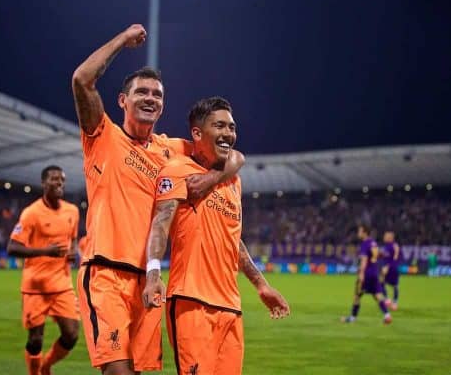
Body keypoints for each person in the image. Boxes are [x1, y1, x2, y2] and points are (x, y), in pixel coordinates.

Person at [71, 24, 244, 375]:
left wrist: (230, 167)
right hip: (106, 273)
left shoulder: (171, 149)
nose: (151, 98)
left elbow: (228, 151)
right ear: (122, 100)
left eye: (158, 94)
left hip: (149, 281)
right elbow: (81, 80)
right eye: (142, 92)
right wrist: (122, 40)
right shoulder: (102, 135)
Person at [142, 96, 290, 375]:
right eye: (219, 126)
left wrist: (261, 285)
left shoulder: (232, 180)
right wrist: (153, 274)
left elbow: (233, 239)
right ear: (197, 133)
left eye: (232, 127)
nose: (228, 134)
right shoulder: (177, 170)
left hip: (231, 307)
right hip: (192, 302)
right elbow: (160, 224)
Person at [7, 165, 80, 375]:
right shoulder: (31, 213)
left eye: (62, 180)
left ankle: (46, 366)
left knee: (71, 334)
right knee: (35, 339)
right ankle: (35, 372)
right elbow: (12, 248)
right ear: (43, 183)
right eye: (54, 179)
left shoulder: (72, 211)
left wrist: (73, 252)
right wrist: (45, 251)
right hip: (35, 287)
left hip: (61, 285)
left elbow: (73, 239)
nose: (59, 183)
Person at [341, 225, 392, 324]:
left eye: (360, 231)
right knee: (377, 294)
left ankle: (352, 318)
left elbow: (364, 260)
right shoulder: (373, 243)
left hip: (367, 273)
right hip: (374, 272)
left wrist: (361, 273)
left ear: (364, 233)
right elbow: (378, 254)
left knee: (357, 295)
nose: (358, 233)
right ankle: (387, 315)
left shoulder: (365, 244)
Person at [380, 231, 400, 310]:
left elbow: (395, 258)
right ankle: (387, 300)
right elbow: (385, 256)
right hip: (385, 267)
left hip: (392, 268)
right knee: (381, 282)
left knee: (395, 286)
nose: (384, 237)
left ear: (390, 237)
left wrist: (388, 266)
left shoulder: (395, 246)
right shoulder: (386, 246)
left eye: (385, 236)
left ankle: (395, 302)